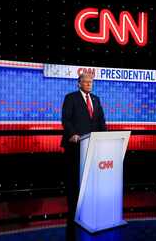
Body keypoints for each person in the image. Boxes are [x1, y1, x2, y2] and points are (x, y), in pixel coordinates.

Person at [61, 73, 106, 221]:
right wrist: (72, 134)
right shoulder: (71, 97)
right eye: (86, 82)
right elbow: (66, 119)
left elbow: (101, 121)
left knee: (90, 175)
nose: (89, 84)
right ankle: (74, 208)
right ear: (79, 83)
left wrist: (104, 137)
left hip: (92, 145)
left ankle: (88, 203)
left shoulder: (96, 99)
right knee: (74, 177)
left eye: (90, 82)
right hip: (76, 144)